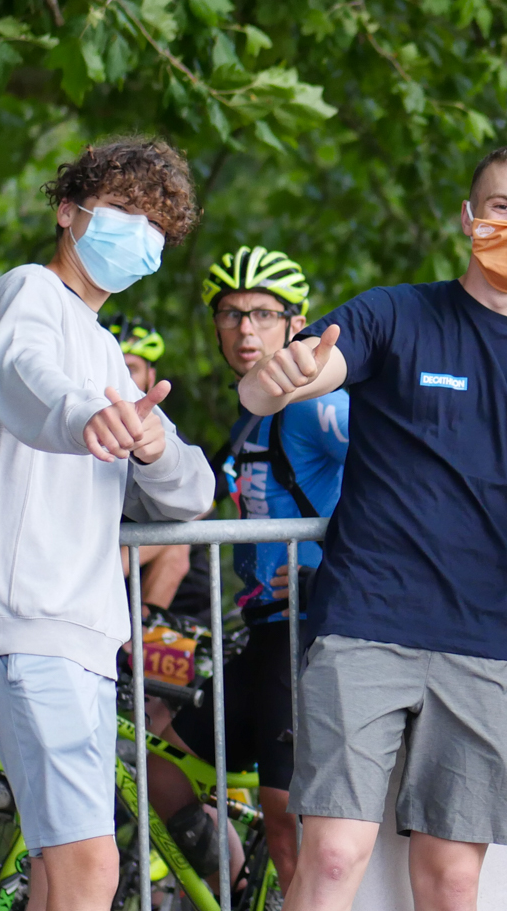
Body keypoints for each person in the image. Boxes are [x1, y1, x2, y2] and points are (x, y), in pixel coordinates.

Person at [237, 144, 507, 911]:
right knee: (332, 857)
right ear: (470, 218)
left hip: (482, 649)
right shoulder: (392, 314)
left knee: (452, 880)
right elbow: (298, 374)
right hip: (364, 627)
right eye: (502, 207)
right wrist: (278, 380)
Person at [0, 137, 215, 911]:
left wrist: (153, 444)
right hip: (27, 617)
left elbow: (192, 492)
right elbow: (23, 375)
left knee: (64, 872)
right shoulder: (28, 292)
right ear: (68, 210)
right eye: (123, 210)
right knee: (92, 869)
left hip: (79, 633)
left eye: (155, 226)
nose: (139, 235)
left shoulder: (103, 348)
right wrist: (83, 414)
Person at [145, 245, 349, 897]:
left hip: (310, 630)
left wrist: (339, 571)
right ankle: (233, 888)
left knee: (287, 821)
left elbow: (407, 473)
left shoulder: (313, 404)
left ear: (297, 323)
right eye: (230, 314)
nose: (244, 329)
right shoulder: (253, 411)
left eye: (262, 314)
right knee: (159, 768)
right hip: (263, 634)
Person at [102, 314, 204, 614]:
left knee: (175, 542)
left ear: (151, 375)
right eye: (110, 366)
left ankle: (145, 635)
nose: (119, 378)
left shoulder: (167, 434)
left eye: (130, 369)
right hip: (100, 584)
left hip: (174, 593)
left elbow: (198, 510)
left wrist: (106, 568)